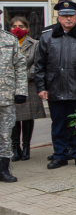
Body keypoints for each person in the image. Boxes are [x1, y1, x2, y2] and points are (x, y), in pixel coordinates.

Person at [35, 0, 76, 169]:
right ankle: (60, 155)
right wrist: (41, 87)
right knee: (58, 124)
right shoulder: (47, 35)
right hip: (55, 87)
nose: (68, 19)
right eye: (64, 16)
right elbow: (40, 64)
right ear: (58, 17)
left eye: (71, 15)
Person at [8, 16, 44, 163]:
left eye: (21, 26)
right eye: (15, 26)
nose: (18, 29)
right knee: (14, 119)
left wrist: (22, 76)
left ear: (27, 29)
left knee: (28, 118)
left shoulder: (35, 44)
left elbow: (38, 64)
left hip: (28, 86)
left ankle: (26, 147)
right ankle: (15, 148)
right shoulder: (6, 43)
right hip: (11, 87)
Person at [0, 10, 27, 182]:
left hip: (6, 96)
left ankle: (3, 169)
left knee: (5, 134)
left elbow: (20, 66)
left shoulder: (9, 39)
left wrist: (21, 91)